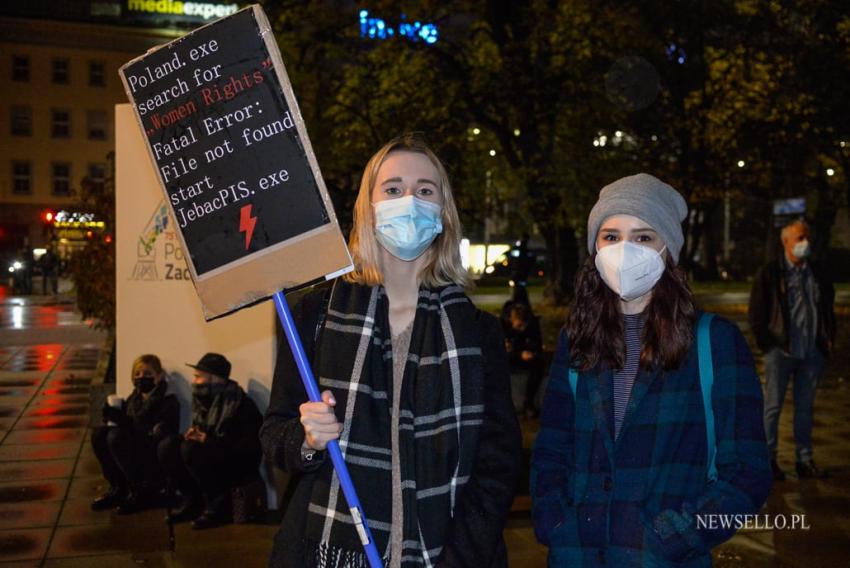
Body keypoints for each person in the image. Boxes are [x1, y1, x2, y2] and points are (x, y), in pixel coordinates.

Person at [261, 134, 522, 567]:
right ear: (369, 206)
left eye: (425, 190)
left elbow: (498, 463)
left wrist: (460, 556)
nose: (409, 201)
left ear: (443, 212)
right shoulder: (315, 314)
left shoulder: (478, 332)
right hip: (329, 550)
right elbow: (275, 434)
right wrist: (307, 438)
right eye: (393, 189)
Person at [531, 173, 772, 566]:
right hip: (578, 556)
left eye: (643, 237)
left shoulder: (715, 342)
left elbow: (747, 473)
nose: (624, 249)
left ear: (668, 250)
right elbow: (551, 449)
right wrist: (556, 522)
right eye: (611, 236)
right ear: (594, 247)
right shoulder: (577, 340)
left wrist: (674, 536)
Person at [749, 219, 835, 480]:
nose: (804, 243)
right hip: (781, 353)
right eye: (799, 238)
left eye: (806, 237)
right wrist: (769, 345)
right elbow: (757, 314)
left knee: (805, 408)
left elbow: (827, 311)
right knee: (772, 407)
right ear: (785, 242)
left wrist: (826, 342)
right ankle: (768, 460)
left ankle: (804, 460)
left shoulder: (816, 274)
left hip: (811, 354)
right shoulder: (771, 274)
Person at [159, 353, 263, 529]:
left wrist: (207, 440)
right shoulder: (204, 402)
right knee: (169, 445)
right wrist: (196, 435)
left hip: (235, 464)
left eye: (199, 377)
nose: (195, 381)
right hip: (214, 455)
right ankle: (191, 501)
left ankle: (219, 506)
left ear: (215, 379)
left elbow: (247, 451)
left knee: (190, 449)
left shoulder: (241, 405)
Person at [91, 354, 180, 514]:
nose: (141, 378)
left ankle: (141, 492)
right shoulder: (134, 398)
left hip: (151, 459)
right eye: (137, 374)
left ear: (159, 377)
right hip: (132, 450)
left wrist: (123, 420)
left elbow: (151, 433)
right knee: (99, 434)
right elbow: (129, 421)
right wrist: (111, 414)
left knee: (116, 436)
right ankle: (118, 488)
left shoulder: (168, 401)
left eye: (147, 374)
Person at [504, 302, 544, 417]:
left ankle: (529, 403)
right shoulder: (505, 327)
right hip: (511, 358)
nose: (521, 329)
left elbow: (537, 346)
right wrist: (517, 354)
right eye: (518, 325)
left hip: (527, 358)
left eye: (523, 326)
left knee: (538, 366)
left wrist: (530, 352)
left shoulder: (532, 327)